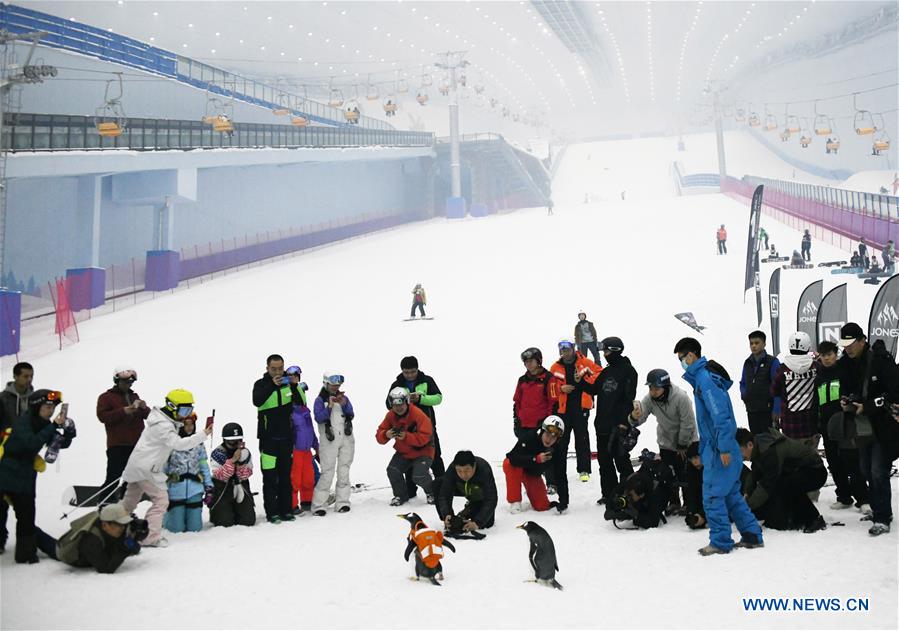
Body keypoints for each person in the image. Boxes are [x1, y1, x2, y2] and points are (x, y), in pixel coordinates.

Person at [674, 337, 763, 556]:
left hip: (719, 450)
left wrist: (722, 448)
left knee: (712, 496)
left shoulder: (705, 380)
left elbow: (721, 417)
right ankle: (751, 535)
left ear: (691, 355)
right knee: (731, 494)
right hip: (717, 447)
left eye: (682, 358)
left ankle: (721, 541)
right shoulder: (703, 379)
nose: (681, 363)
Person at [120, 389, 212, 548]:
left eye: (189, 410)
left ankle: (114, 527)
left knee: (129, 503)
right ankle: (150, 537)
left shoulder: (161, 421)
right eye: (183, 410)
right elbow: (180, 444)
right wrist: (203, 434)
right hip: (148, 469)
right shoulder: (164, 425)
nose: (185, 415)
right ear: (171, 407)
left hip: (138, 466)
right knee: (161, 501)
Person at [837, 323, 899, 536]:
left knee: (878, 470)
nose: (848, 348)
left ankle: (883, 516)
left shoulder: (881, 361)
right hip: (861, 425)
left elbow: (895, 393)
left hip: (884, 426)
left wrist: (869, 405)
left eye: (852, 344)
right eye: (844, 345)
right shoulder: (845, 363)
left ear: (863, 340)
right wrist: (846, 401)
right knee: (865, 468)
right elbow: (846, 389)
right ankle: (877, 508)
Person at [0, 389, 73, 562]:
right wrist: (53, 426)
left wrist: (69, 432)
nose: (51, 411)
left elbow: (57, 443)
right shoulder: (24, 423)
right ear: (36, 407)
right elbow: (30, 444)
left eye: (53, 407)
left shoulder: (43, 424)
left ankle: (26, 554)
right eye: (47, 406)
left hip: (24, 477)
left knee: (26, 516)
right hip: (5, 474)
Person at [629, 369, 704, 524]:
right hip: (666, 441)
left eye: (656, 388)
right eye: (650, 388)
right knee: (667, 473)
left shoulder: (680, 397)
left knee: (686, 473)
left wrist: (682, 444)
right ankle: (674, 501)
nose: (653, 392)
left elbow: (688, 422)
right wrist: (634, 417)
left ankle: (689, 504)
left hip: (687, 440)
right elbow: (641, 414)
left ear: (666, 386)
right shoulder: (650, 398)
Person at [577, 336, 637, 505]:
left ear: (616, 351)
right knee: (604, 462)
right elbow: (594, 389)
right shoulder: (607, 371)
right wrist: (580, 382)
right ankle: (609, 494)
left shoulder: (629, 371)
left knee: (622, 461)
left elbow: (628, 399)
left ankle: (629, 494)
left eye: (607, 350)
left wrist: (624, 423)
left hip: (618, 425)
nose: (604, 354)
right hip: (602, 425)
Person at [737, 428, 827, 533]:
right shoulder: (759, 446)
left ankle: (814, 519)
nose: (741, 456)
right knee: (782, 483)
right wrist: (747, 493)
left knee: (786, 485)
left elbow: (766, 485)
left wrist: (748, 507)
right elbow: (755, 474)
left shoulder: (770, 452)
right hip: (799, 471)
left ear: (750, 445)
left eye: (740, 451)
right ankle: (794, 518)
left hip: (815, 471)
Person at [814, 341, 869, 511]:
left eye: (830, 355)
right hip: (827, 427)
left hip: (845, 424)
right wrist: (817, 423)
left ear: (836, 354)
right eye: (823, 356)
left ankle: (863, 499)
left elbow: (854, 393)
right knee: (834, 462)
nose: (827, 359)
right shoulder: (819, 376)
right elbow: (816, 402)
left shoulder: (844, 372)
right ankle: (844, 496)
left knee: (851, 461)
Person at [385, 356, 445, 496]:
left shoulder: (427, 380)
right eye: (407, 372)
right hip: (406, 428)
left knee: (436, 456)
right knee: (409, 456)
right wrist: (403, 401)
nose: (410, 375)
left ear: (417, 369)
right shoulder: (397, 384)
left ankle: (442, 486)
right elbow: (388, 404)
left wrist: (421, 399)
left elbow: (438, 398)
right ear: (402, 371)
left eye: (413, 371)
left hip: (428, 426)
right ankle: (411, 490)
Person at [549, 339, 601, 483]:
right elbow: (549, 387)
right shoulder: (555, 367)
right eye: (562, 350)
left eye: (567, 349)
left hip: (581, 407)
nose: (564, 353)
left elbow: (600, 374)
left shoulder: (585, 362)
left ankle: (584, 470)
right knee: (561, 441)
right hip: (562, 409)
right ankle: (559, 471)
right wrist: (561, 388)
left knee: (582, 439)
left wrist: (585, 379)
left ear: (573, 349)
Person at [252, 354, 295, 524]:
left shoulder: (288, 384)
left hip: (286, 439)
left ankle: (286, 510)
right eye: (274, 369)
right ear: (267, 368)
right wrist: (272, 384)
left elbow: (299, 402)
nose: (278, 372)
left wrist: (294, 385)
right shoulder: (261, 384)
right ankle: (272, 513)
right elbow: (257, 400)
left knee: (285, 477)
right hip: (268, 440)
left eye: (280, 368)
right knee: (270, 478)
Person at [96, 366, 150, 502]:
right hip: (118, 445)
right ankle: (104, 504)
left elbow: (148, 416)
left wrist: (143, 408)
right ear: (117, 381)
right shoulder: (106, 397)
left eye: (130, 383)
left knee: (132, 479)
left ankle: (125, 505)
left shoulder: (134, 396)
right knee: (113, 478)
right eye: (125, 382)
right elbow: (102, 416)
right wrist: (124, 411)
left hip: (136, 446)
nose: (128, 385)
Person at [376, 387, 434, 507]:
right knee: (393, 470)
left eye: (401, 404)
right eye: (395, 405)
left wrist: (407, 437)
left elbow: (426, 437)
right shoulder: (390, 416)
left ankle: (432, 492)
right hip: (404, 452)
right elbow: (379, 435)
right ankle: (400, 495)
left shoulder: (418, 415)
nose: (398, 408)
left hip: (423, 451)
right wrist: (386, 434)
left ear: (407, 402)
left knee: (419, 476)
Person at [54, 503, 145, 573]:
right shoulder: (91, 540)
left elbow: (136, 549)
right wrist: (124, 548)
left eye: (124, 524)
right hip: (78, 559)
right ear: (105, 525)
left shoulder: (108, 527)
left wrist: (135, 537)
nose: (123, 528)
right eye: (119, 525)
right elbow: (105, 569)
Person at [311, 371, 356, 515]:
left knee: (344, 470)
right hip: (328, 440)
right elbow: (319, 418)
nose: (335, 388)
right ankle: (319, 505)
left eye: (338, 385)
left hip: (346, 438)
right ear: (326, 384)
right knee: (327, 472)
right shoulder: (320, 400)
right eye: (333, 385)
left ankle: (342, 502)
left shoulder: (344, 398)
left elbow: (351, 414)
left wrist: (344, 404)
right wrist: (329, 406)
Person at [503, 416, 568, 513]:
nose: (549, 439)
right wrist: (535, 459)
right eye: (547, 434)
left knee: (542, 507)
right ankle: (515, 502)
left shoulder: (558, 449)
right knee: (508, 464)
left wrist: (564, 501)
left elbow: (561, 475)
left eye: (553, 437)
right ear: (542, 431)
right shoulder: (529, 437)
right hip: (518, 468)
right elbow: (512, 457)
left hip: (532, 474)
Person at [162, 413, 212, 534]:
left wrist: (209, 487)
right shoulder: (171, 444)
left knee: (195, 529)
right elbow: (163, 469)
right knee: (176, 529)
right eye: (186, 425)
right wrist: (162, 490)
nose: (189, 427)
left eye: (192, 425)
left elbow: (203, 466)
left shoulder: (198, 443)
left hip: (195, 490)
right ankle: (166, 519)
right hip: (175, 492)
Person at [771, 332, 819, 456]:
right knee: (811, 461)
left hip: (790, 425)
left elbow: (773, 391)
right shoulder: (816, 367)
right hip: (811, 424)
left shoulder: (782, 369)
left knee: (794, 462)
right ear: (808, 346)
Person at [604, 449, 676, 529]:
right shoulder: (629, 481)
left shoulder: (656, 494)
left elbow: (652, 522)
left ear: (642, 495)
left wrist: (635, 515)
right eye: (628, 493)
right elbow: (613, 497)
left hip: (660, 490)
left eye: (631, 495)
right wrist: (612, 510)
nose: (628, 497)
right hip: (645, 475)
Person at [434, 450, 497, 532]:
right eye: (459, 471)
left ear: (474, 466)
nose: (463, 475)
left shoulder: (483, 468)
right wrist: (446, 514)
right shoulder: (452, 468)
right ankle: (449, 520)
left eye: (467, 470)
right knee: (438, 484)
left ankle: (471, 508)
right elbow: (444, 495)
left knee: (487, 523)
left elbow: (491, 498)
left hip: (478, 494)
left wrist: (478, 522)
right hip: (461, 488)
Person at [209, 423, 256, 528]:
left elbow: (246, 474)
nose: (235, 444)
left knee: (248, 521)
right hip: (223, 487)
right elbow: (221, 475)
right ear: (225, 440)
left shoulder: (245, 453)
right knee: (224, 522)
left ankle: (241, 510)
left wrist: (240, 463)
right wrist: (233, 460)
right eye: (231, 441)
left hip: (241, 485)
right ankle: (218, 512)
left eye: (238, 441)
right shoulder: (217, 453)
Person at [286, 365, 317, 515]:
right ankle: (292, 505)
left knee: (308, 478)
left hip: (306, 449)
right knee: (295, 478)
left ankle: (307, 501)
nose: (293, 377)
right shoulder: (289, 412)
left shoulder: (305, 410)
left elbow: (310, 429)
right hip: (295, 449)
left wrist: (315, 445)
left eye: (296, 375)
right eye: (290, 375)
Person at [739, 330, 782, 436]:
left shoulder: (773, 362)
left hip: (768, 410)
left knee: (772, 442)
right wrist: (744, 395)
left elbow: (778, 386)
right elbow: (743, 382)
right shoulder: (747, 362)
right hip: (752, 409)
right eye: (751, 343)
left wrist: (776, 408)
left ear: (764, 344)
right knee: (756, 441)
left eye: (757, 343)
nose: (753, 346)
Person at [513, 347, 559, 440]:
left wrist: (548, 424)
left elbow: (553, 403)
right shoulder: (522, 380)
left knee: (540, 454)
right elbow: (517, 402)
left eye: (531, 361)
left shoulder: (549, 378)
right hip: (523, 427)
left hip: (541, 426)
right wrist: (516, 421)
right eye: (526, 362)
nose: (528, 364)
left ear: (538, 361)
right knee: (523, 454)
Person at [0, 362, 34, 432]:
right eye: (26, 376)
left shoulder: (34, 397)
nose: (29, 379)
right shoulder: (3, 399)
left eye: (31, 376)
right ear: (15, 376)